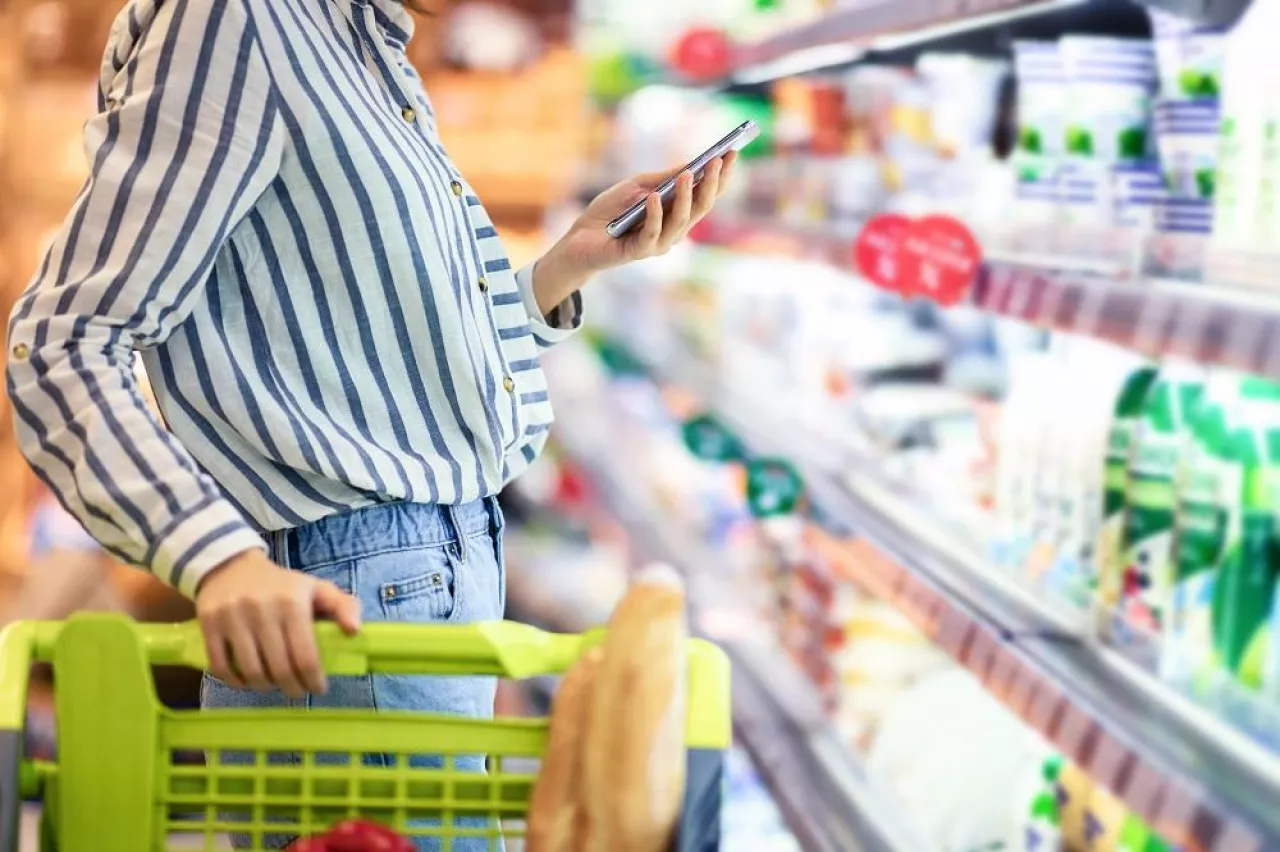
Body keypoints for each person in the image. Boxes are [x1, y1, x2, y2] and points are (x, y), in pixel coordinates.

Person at [6, 0, 733, 847]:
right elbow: (64, 341)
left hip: (423, 577)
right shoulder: (237, 23)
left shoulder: (357, 43)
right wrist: (215, 557)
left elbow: (370, 353)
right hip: (345, 595)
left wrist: (566, 263)